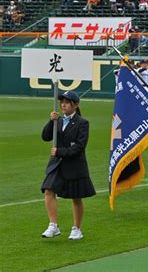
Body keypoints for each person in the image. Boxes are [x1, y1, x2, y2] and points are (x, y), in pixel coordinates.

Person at [40, 91, 96, 240]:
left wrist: (60, 151)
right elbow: (46, 137)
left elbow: (79, 146)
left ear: (75, 105)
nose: (63, 104)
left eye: (67, 102)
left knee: (76, 197)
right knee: (48, 190)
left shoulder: (82, 123)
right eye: (62, 102)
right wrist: (51, 121)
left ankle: (76, 228)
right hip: (57, 164)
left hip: (75, 165)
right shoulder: (57, 120)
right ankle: (53, 225)